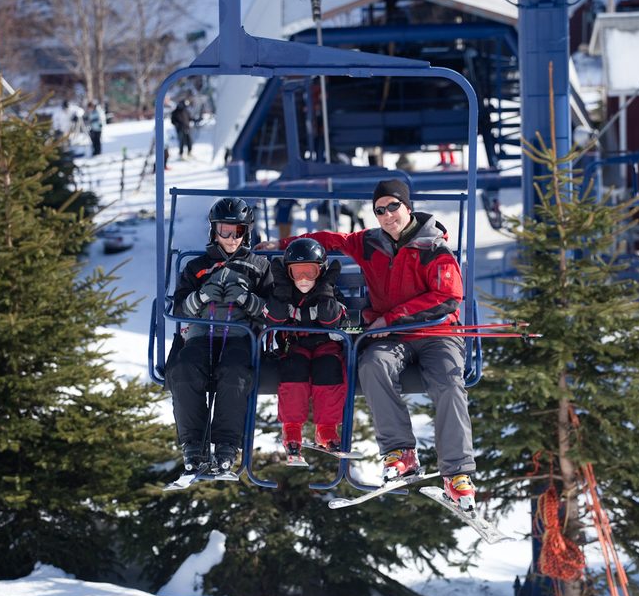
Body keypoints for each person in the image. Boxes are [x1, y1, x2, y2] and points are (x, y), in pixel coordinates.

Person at [257, 178, 476, 511]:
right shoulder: (370, 243)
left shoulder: (434, 247)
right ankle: (400, 453)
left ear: (408, 207)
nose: (388, 215)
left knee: (448, 383)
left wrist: (391, 318)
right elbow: (331, 240)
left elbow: (447, 298)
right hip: (389, 338)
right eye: (379, 210)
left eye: (393, 207)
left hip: (436, 333)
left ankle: (457, 474)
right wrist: (283, 243)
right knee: (372, 365)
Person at [166, 198, 272, 476]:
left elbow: (274, 311)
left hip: (241, 337)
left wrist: (248, 301)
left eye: (237, 231)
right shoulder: (197, 266)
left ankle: (226, 446)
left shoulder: (258, 266)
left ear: (246, 232)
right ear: (213, 231)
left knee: (234, 373)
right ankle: (193, 445)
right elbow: (178, 308)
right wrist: (200, 296)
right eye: (224, 231)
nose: (230, 238)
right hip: (201, 335)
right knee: (183, 370)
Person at [264, 238, 348, 462]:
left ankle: (326, 429)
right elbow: (273, 318)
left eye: (309, 272)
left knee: (328, 369)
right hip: (295, 344)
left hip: (325, 345)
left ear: (320, 271)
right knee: (294, 371)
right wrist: (281, 288)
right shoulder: (284, 291)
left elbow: (331, 321)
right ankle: (291, 431)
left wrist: (326, 290)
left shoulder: (328, 291)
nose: (302, 279)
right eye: (296, 272)